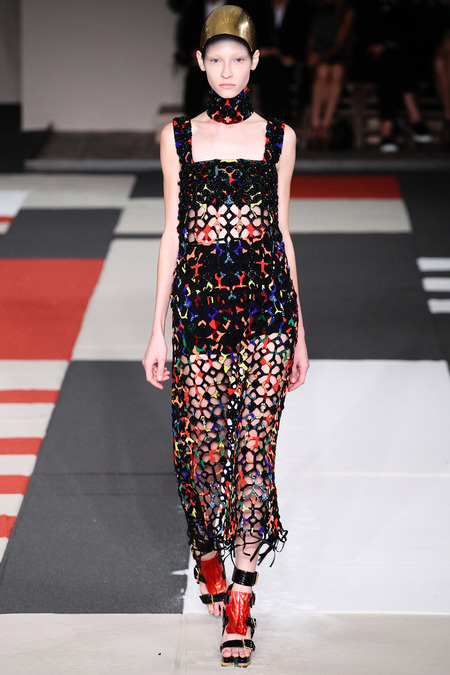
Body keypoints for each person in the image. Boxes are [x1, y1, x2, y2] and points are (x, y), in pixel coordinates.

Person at [142, 5, 309, 667]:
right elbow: (171, 233)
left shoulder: (280, 139)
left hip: (268, 316)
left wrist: (300, 333)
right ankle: (206, 548)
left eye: (239, 58)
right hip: (198, 315)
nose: (228, 70)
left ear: (255, 61)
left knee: (254, 457)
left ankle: (241, 598)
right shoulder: (178, 138)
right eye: (217, 59)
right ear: (201, 63)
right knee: (202, 458)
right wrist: (156, 330)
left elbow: (282, 234)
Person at [362, 0, 432, 152]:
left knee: (393, 67)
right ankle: (414, 116)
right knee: (391, 66)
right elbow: (363, 36)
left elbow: (416, 38)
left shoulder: (408, 9)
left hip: (403, 62)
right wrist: (374, 46)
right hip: (373, 63)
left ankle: (386, 131)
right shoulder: (369, 8)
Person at [306, 0, 356, 149]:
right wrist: (311, 54)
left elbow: (341, 40)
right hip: (318, 58)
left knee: (337, 71)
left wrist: (322, 57)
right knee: (322, 70)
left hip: (339, 55)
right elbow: (310, 39)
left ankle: (325, 125)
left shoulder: (346, 11)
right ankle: (316, 125)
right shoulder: (315, 9)